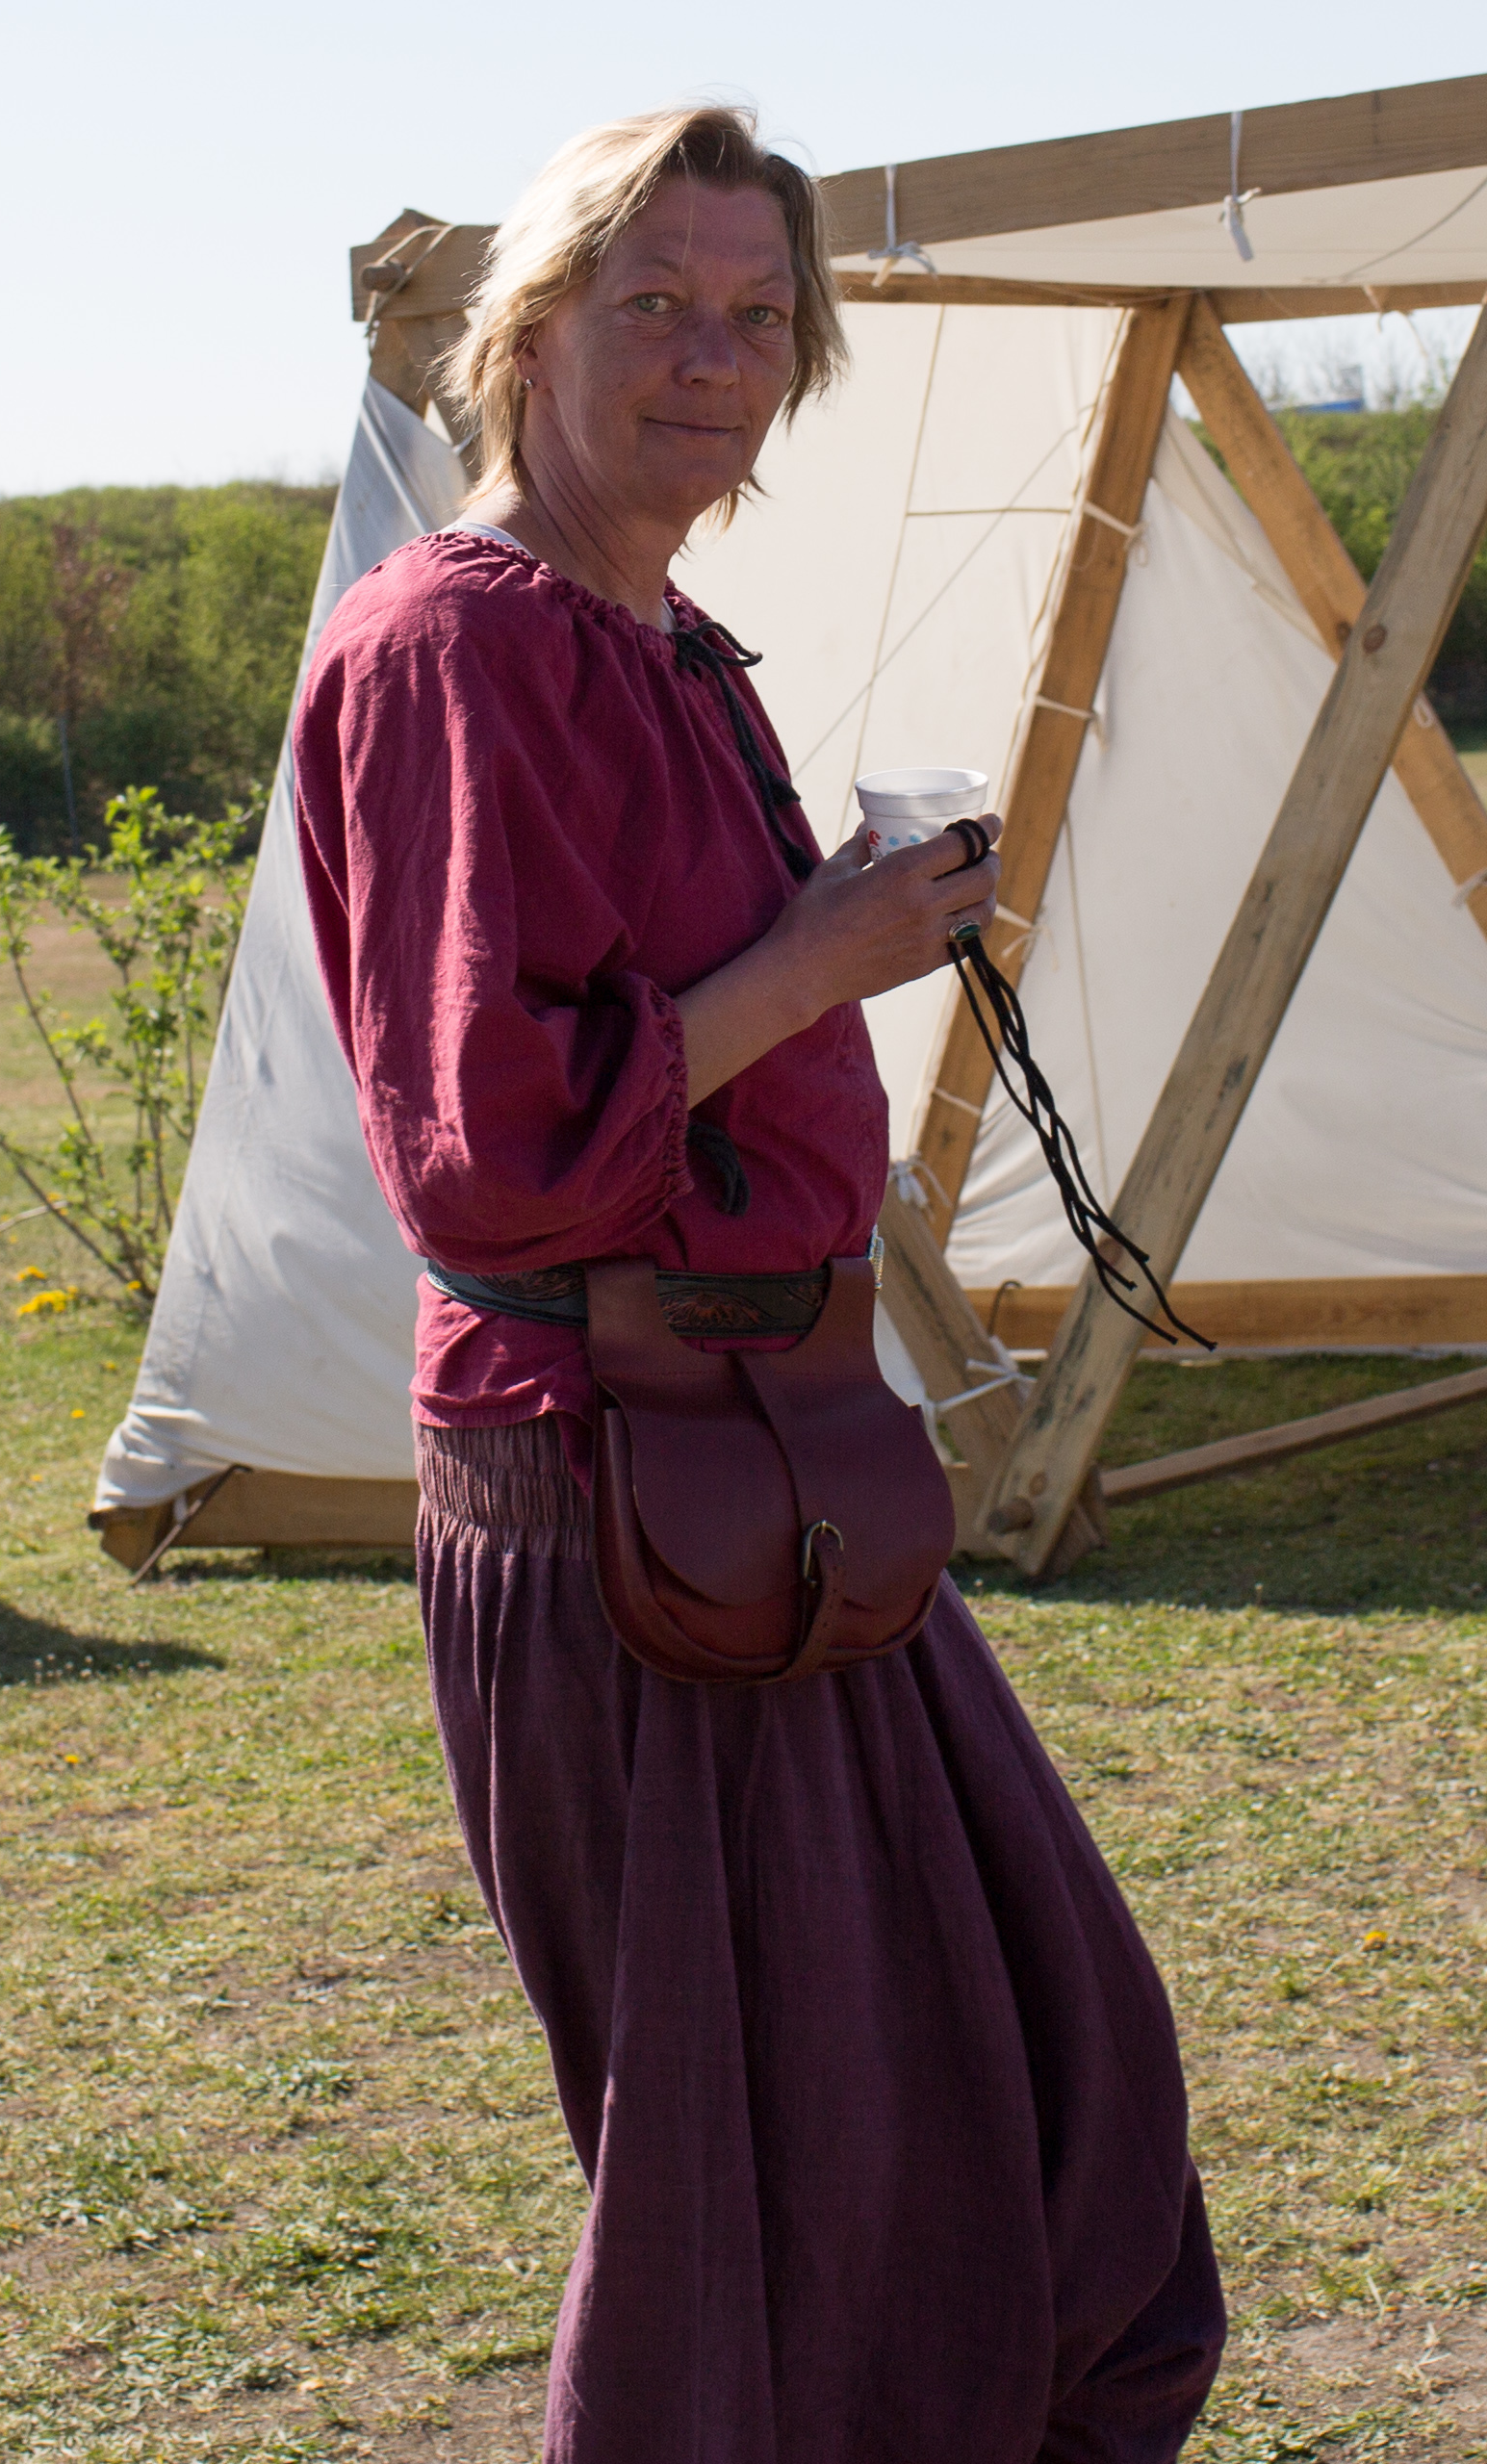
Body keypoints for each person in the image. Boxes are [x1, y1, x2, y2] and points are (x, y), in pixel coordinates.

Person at [283, 100, 1222, 2464]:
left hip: (791, 1444)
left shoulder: (668, 641)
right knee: (756, 2185)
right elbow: (484, 1153)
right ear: (528, 335)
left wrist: (851, 936)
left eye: (756, 315)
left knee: (1043, 2073)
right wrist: (821, 956)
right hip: (613, 1475)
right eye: (655, 306)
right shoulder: (452, 650)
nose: (713, 358)